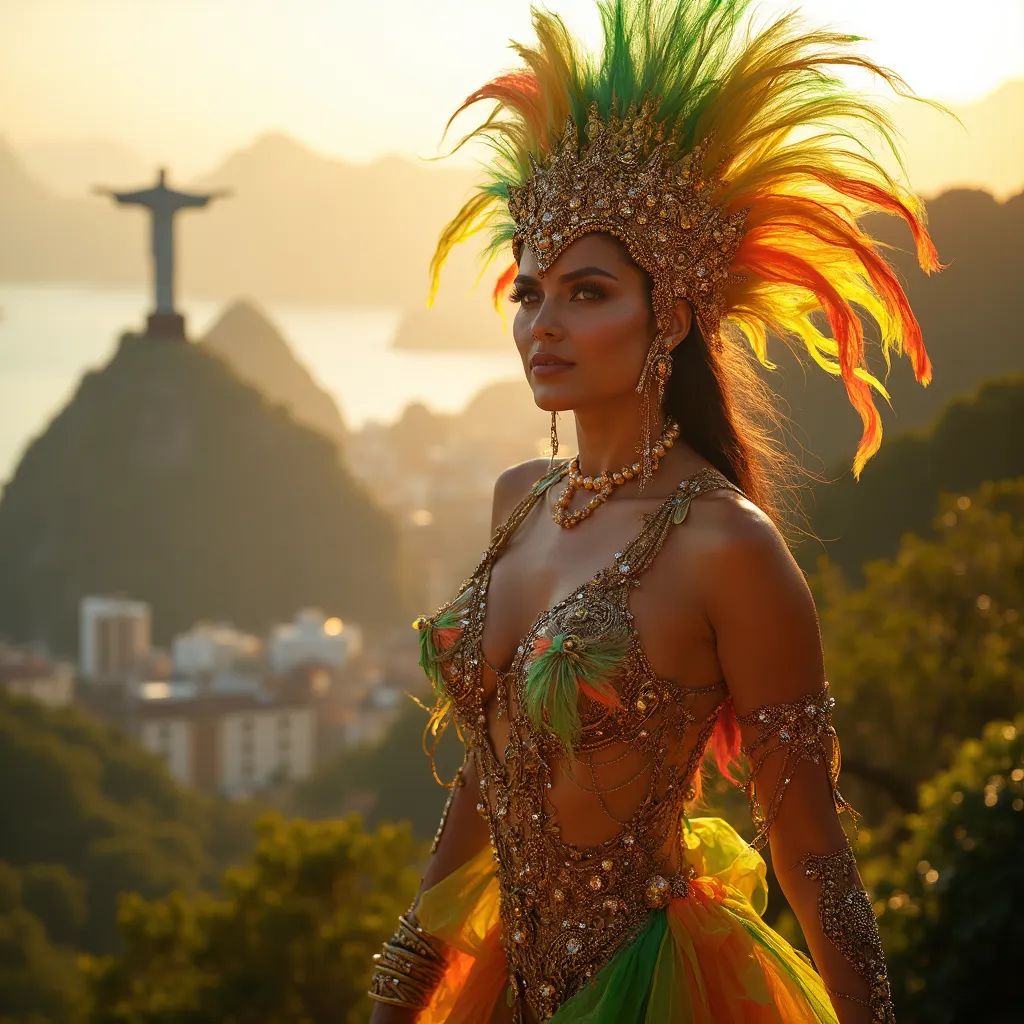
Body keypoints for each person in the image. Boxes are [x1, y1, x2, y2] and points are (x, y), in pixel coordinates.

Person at [368, 1, 942, 1021]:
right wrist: (405, 978)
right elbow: (486, 769)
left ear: (669, 313)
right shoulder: (519, 501)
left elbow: (811, 851)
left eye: (587, 293)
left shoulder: (728, 547)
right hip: (498, 988)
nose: (543, 324)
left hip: (655, 992)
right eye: (530, 291)